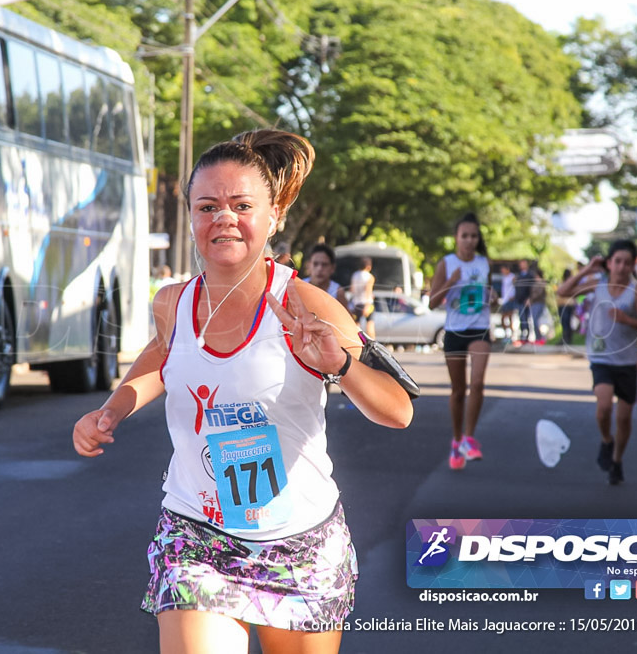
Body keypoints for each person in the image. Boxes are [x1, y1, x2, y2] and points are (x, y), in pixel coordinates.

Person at [72, 129, 412, 653]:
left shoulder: (305, 302)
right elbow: (162, 355)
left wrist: (339, 364)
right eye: (207, 206)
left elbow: (398, 412)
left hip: (300, 541)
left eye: (241, 205)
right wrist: (111, 410)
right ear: (190, 218)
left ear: (273, 216)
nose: (223, 218)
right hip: (195, 534)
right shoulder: (173, 303)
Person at [557, 240, 637, 485]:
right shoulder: (597, 285)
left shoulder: (636, 292)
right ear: (609, 263)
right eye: (616, 261)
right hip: (600, 358)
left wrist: (626, 319)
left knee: (623, 419)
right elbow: (563, 292)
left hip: (627, 362)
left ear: (633, 265)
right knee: (603, 407)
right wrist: (588, 269)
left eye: (626, 262)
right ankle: (606, 440)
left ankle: (617, 460)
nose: (620, 267)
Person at [427, 213, 494, 471]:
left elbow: (488, 293)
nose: (469, 240)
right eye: (464, 235)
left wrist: (493, 296)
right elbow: (432, 302)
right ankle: (456, 440)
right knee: (458, 390)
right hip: (455, 330)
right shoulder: (447, 263)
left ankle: (469, 437)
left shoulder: (484, 263)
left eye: (474, 236)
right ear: (456, 238)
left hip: (479, 328)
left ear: (478, 239)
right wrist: (451, 282)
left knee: (477, 383)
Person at [303, 243, 349, 310]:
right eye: (315, 264)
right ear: (308, 266)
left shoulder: (338, 292)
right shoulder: (299, 287)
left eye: (324, 265)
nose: (319, 269)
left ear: (332, 268)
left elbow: (346, 319)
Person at [349, 256, 376, 338]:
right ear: (369, 266)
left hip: (356, 303)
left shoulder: (355, 275)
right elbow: (368, 291)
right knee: (370, 325)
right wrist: (367, 305)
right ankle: (373, 345)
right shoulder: (370, 277)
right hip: (366, 303)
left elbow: (352, 289)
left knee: (356, 326)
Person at [513, 259, 535, 344]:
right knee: (521, 318)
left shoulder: (530, 275)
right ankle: (523, 335)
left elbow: (532, 288)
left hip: (526, 300)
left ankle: (527, 335)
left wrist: (529, 298)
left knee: (527, 318)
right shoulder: (518, 276)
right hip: (519, 300)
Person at [497, 263, 517, 342]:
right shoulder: (504, 278)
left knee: (510, 318)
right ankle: (507, 334)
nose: (502, 271)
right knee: (502, 319)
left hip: (510, 300)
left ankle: (511, 336)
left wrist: (514, 296)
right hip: (504, 300)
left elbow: (516, 287)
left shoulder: (512, 277)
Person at [557, 268, 577, 346]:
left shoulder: (571, 283)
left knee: (566, 322)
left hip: (568, 305)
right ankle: (565, 338)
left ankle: (567, 339)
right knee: (564, 322)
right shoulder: (563, 283)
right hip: (562, 304)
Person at [528, 266, 547, 345]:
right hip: (534, 303)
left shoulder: (541, 283)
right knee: (534, 321)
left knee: (536, 321)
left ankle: (540, 338)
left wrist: (531, 299)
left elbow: (538, 294)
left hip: (539, 303)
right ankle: (537, 338)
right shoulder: (535, 283)